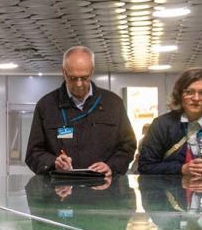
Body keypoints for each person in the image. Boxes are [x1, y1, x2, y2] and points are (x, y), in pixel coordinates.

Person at [25, 46, 136, 176]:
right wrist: (54, 163)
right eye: (72, 78)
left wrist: (111, 166)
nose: (79, 84)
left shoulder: (113, 103)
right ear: (64, 72)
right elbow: (33, 153)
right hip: (61, 190)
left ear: (92, 71)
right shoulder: (46, 106)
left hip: (104, 189)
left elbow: (128, 146)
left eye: (84, 78)